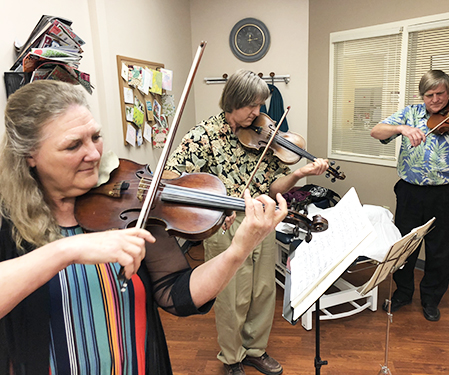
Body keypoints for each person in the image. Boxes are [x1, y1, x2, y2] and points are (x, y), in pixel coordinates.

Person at [0, 79, 288, 375]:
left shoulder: (127, 208)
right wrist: (66, 250)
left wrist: (238, 250)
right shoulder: (7, 221)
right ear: (29, 155)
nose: (95, 154)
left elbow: (176, 293)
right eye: (73, 145)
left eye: (95, 137)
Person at [164, 69, 329, 375]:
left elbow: (272, 188)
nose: (258, 113)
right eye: (251, 106)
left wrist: (297, 175)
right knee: (231, 295)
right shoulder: (202, 136)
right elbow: (172, 177)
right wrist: (212, 201)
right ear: (232, 102)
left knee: (262, 290)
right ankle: (231, 357)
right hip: (225, 223)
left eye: (260, 105)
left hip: (261, 217)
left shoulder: (261, 134)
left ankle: (255, 349)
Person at [370, 70, 449, 322]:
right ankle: (403, 293)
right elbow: (377, 131)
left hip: (447, 193)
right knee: (406, 245)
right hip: (410, 192)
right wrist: (402, 128)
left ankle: (431, 299)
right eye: (430, 95)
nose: (436, 100)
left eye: (441, 93)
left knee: (440, 249)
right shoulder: (410, 113)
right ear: (422, 95)